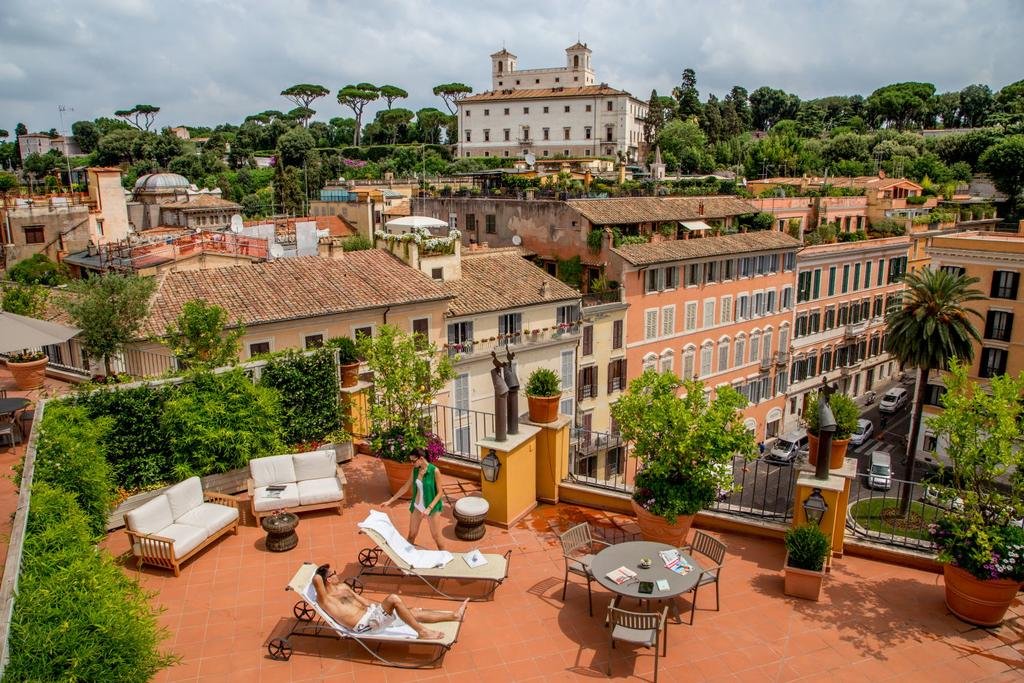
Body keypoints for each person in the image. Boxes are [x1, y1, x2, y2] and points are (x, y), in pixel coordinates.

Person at [312, 564, 466, 639]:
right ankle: (422, 632)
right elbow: (317, 578)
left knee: (411, 612)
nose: (336, 574)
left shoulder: (343, 587)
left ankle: (454, 616)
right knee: (394, 598)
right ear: (327, 580)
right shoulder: (326, 600)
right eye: (333, 574)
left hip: (372, 615)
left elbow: (363, 600)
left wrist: (379, 607)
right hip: (364, 626)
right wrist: (317, 571)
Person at [385, 447, 447, 550]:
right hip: (417, 506)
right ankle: (407, 559)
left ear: (421, 459)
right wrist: (390, 501)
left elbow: (440, 492)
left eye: (413, 461)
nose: (411, 463)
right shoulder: (415, 470)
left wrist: (429, 508)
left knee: (436, 536)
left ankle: (445, 557)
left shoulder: (434, 471)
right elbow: (405, 487)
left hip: (432, 508)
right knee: (411, 534)